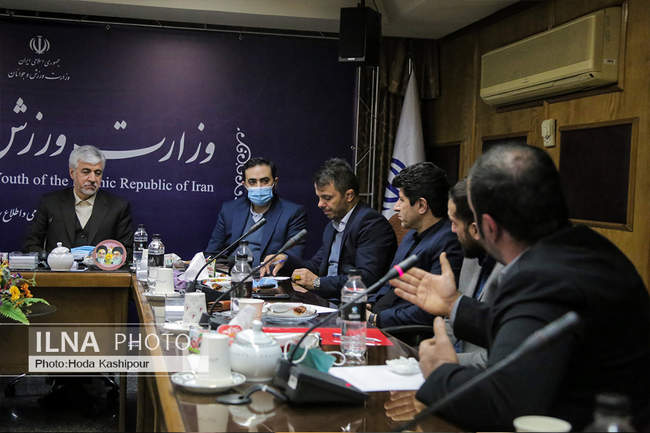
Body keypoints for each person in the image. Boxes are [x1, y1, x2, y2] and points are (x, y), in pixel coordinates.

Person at [391, 144, 650, 431]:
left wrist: (440, 372)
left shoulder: (542, 277)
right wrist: (454, 304)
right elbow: (530, 330)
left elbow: (504, 405)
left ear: (489, 227)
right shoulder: (589, 248)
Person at [263, 158, 396, 302]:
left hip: (352, 303)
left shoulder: (371, 223)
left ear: (349, 195)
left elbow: (366, 278)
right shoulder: (333, 225)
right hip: (327, 299)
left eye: (327, 198)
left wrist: (318, 283)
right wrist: (285, 260)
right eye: (319, 198)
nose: (320, 204)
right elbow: (316, 266)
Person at [366, 162, 463, 328]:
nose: (396, 207)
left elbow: (429, 310)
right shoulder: (411, 234)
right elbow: (390, 283)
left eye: (401, 200)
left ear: (421, 205)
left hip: (402, 333)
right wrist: (370, 303)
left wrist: (377, 319)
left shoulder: (448, 243)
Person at [23, 145, 133, 257]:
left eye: (97, 173)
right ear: (72, 173)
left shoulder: (118, 207)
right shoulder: (50, 203)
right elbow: (31, 245)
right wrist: (51, 260)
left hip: (100, 268)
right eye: (86, 172)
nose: (92, 179)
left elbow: (127, 250)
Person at [205, 157, 306, 267]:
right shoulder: (229, 210)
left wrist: (283, 258)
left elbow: (294, 256)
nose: (259, 187)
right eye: (252, 182)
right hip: (231, 273)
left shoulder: (293, 212)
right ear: (245, 185)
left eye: (265, 181)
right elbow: (212, 253)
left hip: (267, 275)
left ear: (275, 182)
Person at [446, 178, 503, 367]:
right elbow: (452, 316)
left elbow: (498, 358)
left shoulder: (516, 272)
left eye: (454, 223)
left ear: (476, 230)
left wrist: (444, 361)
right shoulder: (472, 253)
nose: (452, 230)